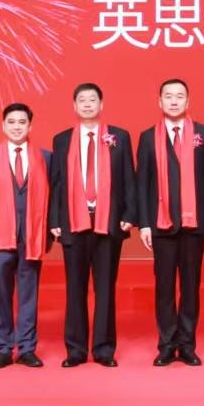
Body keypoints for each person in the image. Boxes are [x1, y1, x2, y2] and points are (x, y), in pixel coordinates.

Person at [49, 82, 134, 368]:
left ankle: (104, 349)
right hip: (73, 222)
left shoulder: (119, 137)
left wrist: (129, 213)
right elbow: (56, 182)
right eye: (82, 100)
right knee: (75, 288)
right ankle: (75, 350)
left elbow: (129, 177)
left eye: (92, 99)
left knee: (105, 288)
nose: (87, 104)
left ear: (101, 104)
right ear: (74, 106)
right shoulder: (62, 140)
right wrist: (55, 219)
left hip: (108, 222)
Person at [137, 78, 204, 367]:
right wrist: (144, 223)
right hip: (161, 224)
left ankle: (187, 345)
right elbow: (142, 182)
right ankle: (166, 345)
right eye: (168, 96)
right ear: (159, 101)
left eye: (179, 96)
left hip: (195, 224)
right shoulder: (148, 137)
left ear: (188, 101)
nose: (174, 101)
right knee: (165, 287)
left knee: (191, 286)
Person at [0, 103, 52, 369]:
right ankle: (3, 347)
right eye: (11, 122)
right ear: (3, 125)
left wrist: (47, 233)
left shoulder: (45, 158)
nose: (17, 127)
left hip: (31, 236)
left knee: (29, 294)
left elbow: (53, 198)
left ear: (30, 126)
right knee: (1, 294)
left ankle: (27, 348)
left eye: (22, 122)